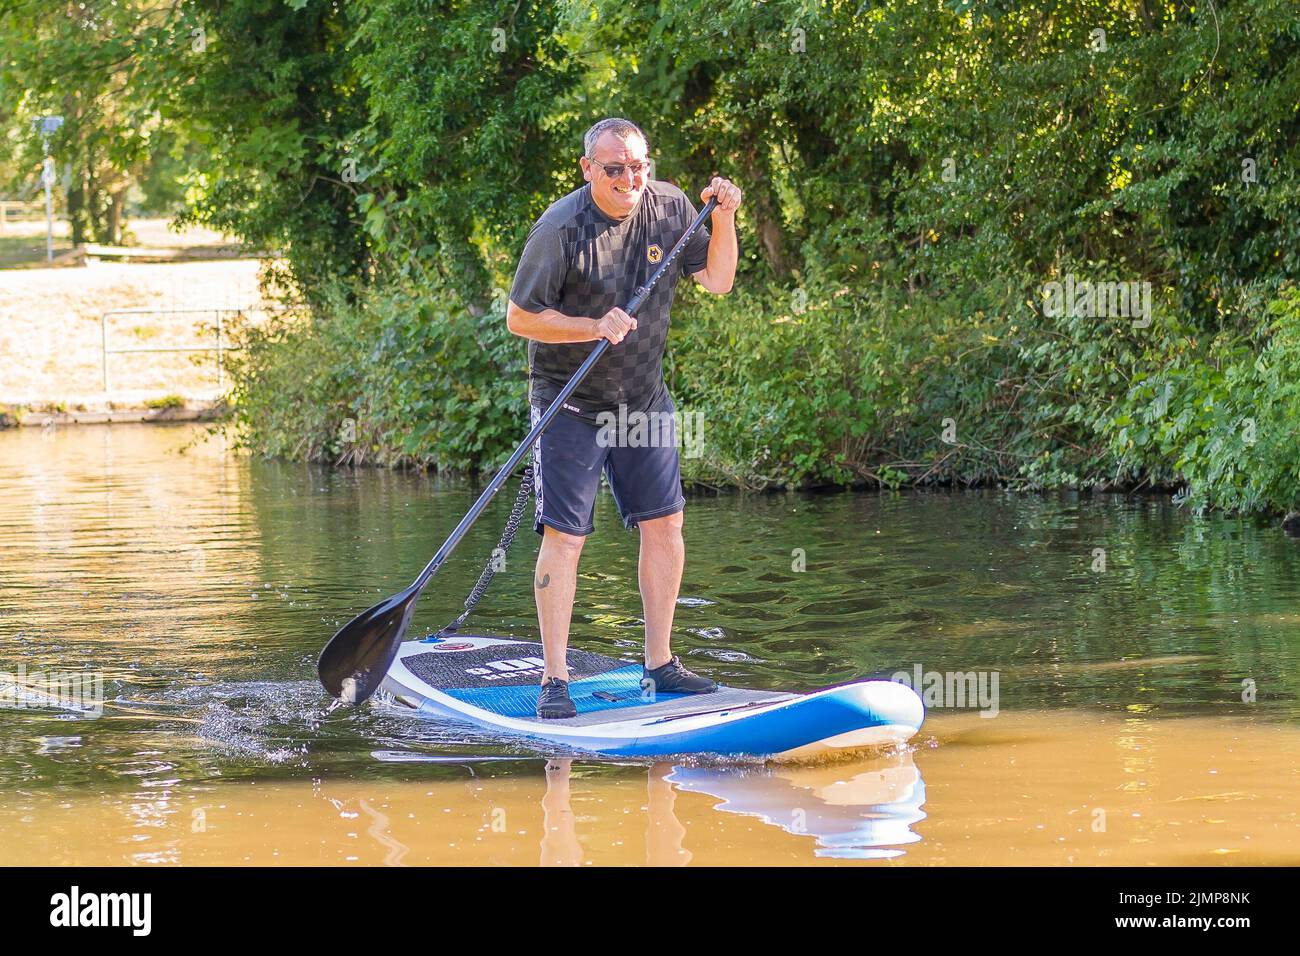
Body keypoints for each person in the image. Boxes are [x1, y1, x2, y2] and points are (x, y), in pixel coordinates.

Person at [506, 117, 742, 718]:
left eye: (638, 166)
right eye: (614, 168)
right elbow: (520, 318)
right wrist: (591, 326)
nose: (629, 178)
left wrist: (724, 218)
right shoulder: (560, 230)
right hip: (570, 403)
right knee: (566, 538)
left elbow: (718, 281)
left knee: (665, 526)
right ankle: (554, 681)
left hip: (641, 399)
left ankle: (660, 664)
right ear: (588, 170)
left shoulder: (669, 207)